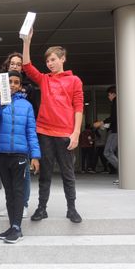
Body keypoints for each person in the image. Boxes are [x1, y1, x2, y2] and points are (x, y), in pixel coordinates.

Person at [22, 28, 84, 224]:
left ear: (63, 58)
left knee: (68, 173)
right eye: (48, 61)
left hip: (65, 133)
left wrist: (76, 134)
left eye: (53, 59)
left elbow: (79, 107)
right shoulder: (44, 79)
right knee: (45, 173)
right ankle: (42, 208)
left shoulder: (74, 80)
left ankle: (71, 209)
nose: (50, 63)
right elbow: (26, 65)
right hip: (44, 132)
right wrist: (27, 41)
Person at [0, 71, 40, 244]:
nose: (12, 84)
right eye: (9, 81)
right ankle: (13, 226)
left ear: (20, 86)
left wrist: (35, 155)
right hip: (2, 154)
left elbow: (31, 132)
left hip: (20, 154)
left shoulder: (26, 105)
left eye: (16, 82)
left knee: (18, 192)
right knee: (9, 193)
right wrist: (2, 100)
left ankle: (17, 228)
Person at [0, 52, 37, 218]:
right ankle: (11, 206)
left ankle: (23, 204)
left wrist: (35, 152)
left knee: (22, 179)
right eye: (12, 63)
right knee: (8, 181)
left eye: (19, 64)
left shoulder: (28, 93)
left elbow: (31, 119)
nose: (15, 66)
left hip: (22, 143)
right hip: (4, 146)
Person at [94, 85, 118, 184]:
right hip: (116, 130)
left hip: (116, 131)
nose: (108, 97)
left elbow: (114, 117)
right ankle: (125, 174)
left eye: (109, 95)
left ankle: (124, 173)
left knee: (108, 152)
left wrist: (101, 122)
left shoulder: (115, 101)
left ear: (113, 94)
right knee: (113, 153)